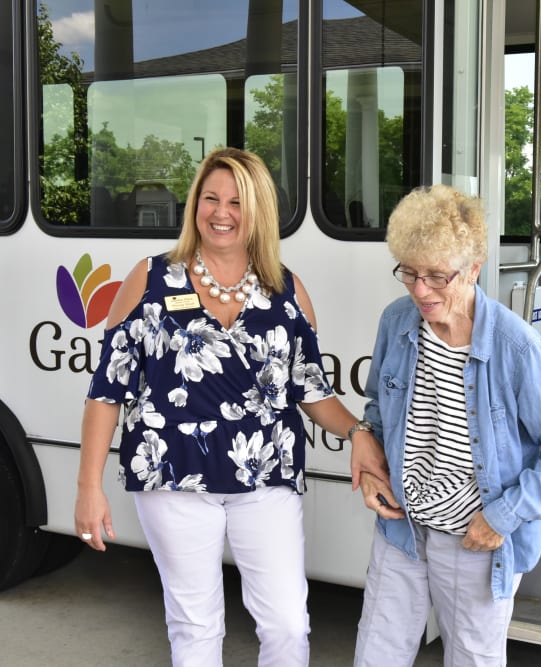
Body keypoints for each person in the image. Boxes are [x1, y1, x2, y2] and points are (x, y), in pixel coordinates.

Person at [74, 147, 386, 667]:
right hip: (173, 478)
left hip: (265, 479)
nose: (221, 212)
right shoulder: (149, 280)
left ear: (258, 211)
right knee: (196, 627)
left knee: (288, 623)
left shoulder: (287, 291)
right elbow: (107, 391)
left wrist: (358, 433)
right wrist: (89, 488)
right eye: (210, 198)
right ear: (194, 203)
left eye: (237, 201)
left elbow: (312, 391)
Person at [351, 184, 541, 666]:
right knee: (375, 655)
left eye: (437, 277)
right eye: (410, 273)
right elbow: (378, 405)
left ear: (474, 269)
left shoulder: (515, 347)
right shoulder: (397, 322)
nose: (421, 291)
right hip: (403, 528)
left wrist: (504, 517)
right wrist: (369, 455)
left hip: (474, 539)